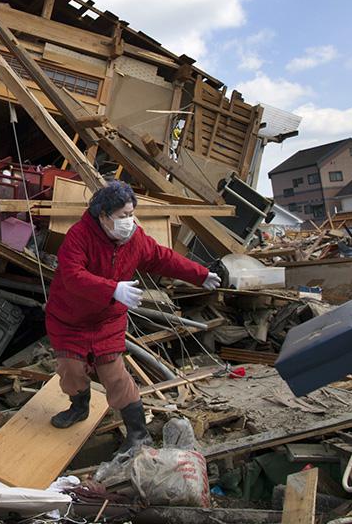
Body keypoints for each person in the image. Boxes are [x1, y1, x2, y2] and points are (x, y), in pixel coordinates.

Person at [44, 180, 222, 454]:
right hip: (69, 319)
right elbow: (72, 276)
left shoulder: (135, 239)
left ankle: (138, 435)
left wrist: (199, 274)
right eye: (123, 216)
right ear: (103, 216)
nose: (129, 221)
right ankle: (79, 407)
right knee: (71, 370)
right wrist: (112, 288)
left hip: (107, 320)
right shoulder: (78, 237)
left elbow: (163, 258)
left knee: (114, 374)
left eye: (131, 214)